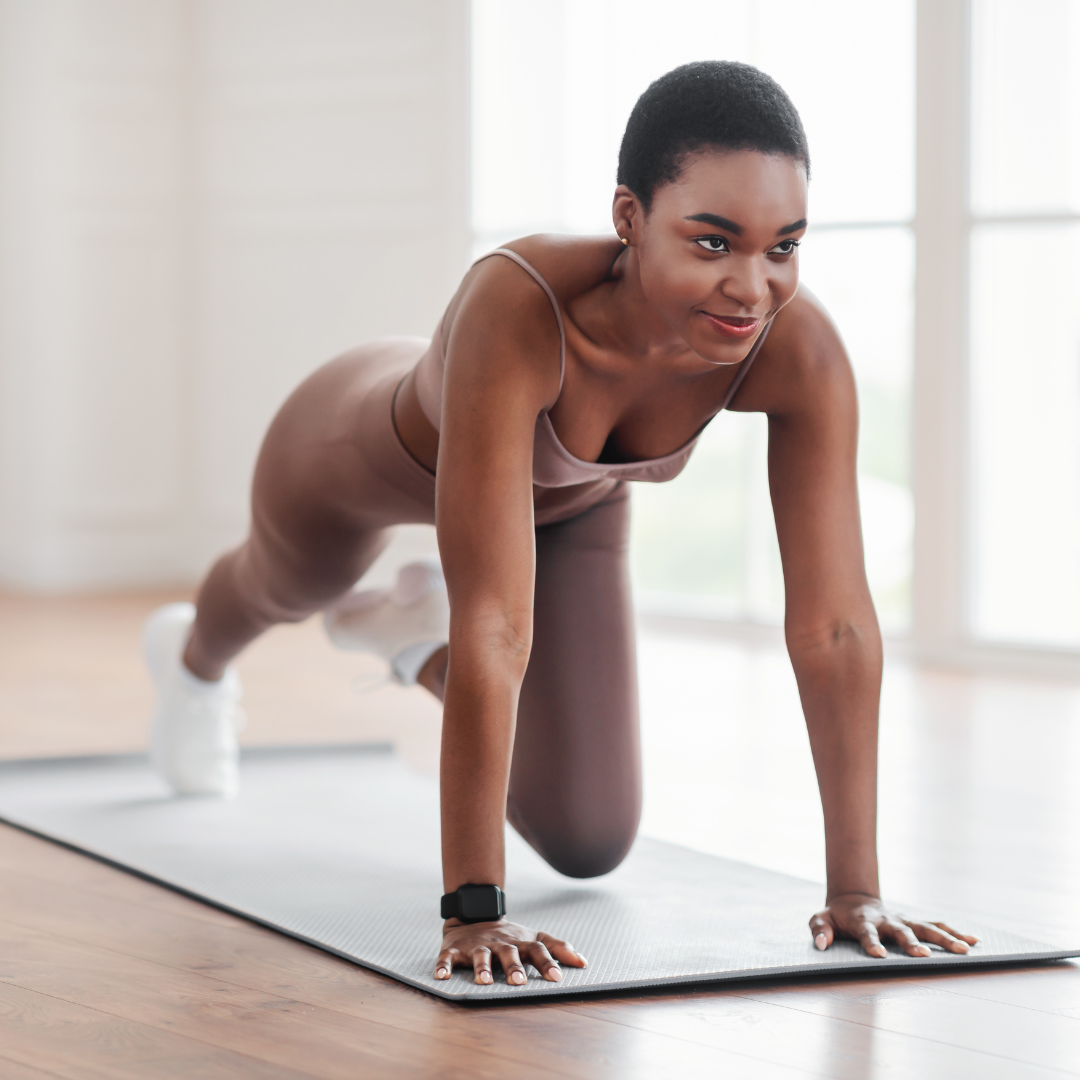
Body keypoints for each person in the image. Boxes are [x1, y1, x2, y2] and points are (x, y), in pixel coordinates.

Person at [142, 60, 977, 987]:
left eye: (783, 246)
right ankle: (191, 667)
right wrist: (473, 913)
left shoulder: (796, 347)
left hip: (575, 507)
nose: (752, 286)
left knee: (588, 842)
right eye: (712, 243)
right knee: (283, 585)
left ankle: (410, 642)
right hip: (356, 449)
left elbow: (835, 624)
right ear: (629, 218)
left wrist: (856, 890)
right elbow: (496, 617)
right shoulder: (521, 301)